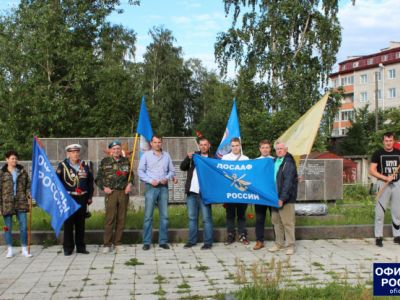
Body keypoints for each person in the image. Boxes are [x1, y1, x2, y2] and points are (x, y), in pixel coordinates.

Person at [138, 135, 177, 250]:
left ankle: (163, 241)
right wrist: (150, 180)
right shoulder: (146, 155)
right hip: (151, 187)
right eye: (155, 142)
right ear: (151, 143)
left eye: (159, 142)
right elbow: (140, 171)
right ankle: (146, 242)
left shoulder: (167, 155)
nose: (157, 144)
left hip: (163, 187)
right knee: (148, 216)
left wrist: (167, 177)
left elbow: (172, 171)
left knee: (164, 216)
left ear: (162, 143)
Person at [95, 140, 134, 254]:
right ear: (111, 150)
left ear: (120, 150)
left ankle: (118, 243)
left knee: (121, 219)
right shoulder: (105, 161)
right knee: (110, 218)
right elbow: (98, 178)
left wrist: (129, 184)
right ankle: (107, 244)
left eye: (118, 148)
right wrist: (104, 188)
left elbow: (131, 176)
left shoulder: (126, 161)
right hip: (111, 193)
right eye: (114, 149)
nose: (116, 150)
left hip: (123, 192)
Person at [56, 144, 94, 256]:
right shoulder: (62, 166)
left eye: (77, 152)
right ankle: (68, 248)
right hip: (69, 198)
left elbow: (90, 182)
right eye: (73, 152)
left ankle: (81, 247)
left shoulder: (85, 165)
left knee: (80, 223)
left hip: (82, 197)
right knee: (68, 223)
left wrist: (90, 196)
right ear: (68, 154)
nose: (75, 154)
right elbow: (57, 183)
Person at [180, 138, 213, 250]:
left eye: (205, 144)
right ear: (199, 146)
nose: (203, 146)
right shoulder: (194, 156)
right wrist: (187, 158)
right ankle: (191, 241)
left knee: (206, 218)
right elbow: (182, 167)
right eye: (201, 145)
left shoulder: (213, 159)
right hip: (192, 192)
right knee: (192, 218)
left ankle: (208, 242)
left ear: (209, 145)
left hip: (205, 193)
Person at [369, 132, 400, 247]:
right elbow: (372, 170)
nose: (388, 143)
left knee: (397, 212)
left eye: (390, 140)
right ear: (383, 142)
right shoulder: (378, 153)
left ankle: (397, 236)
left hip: (397, 184)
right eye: (386, 141)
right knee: (380, 212)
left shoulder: (398, 153)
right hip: (383, 184)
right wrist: (385, 177)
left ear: (393, 141)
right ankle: (378, 236)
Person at [0, 150, 32, 258]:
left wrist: (28, 194)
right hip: (6, 203)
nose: (14, 160)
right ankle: (10, 249)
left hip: (21, 201)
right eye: (12, 158)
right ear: (7, 159)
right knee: (7, 227)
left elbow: (28, 185)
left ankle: (24, 249)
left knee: (23, 225)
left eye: (15, 158)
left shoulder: (22, 172)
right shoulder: (2, 173)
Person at [268, 141, 298, 255]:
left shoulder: (289, 162)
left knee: (288, 222)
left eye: (281, 148)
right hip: (274, 196)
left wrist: (282, 198)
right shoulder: (275, 161)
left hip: (285, 198)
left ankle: (290, 245)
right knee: (276, 221)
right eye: (277, 149)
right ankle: (279, 243)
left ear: (286, 149)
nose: (279, 150)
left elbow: (288, 183)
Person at [222, 137, 250, 245]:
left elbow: (249, 175)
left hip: (242, 191)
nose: (235, 148)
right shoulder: (225, 157)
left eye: (237, 145)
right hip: (230, 190)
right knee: (230, 214)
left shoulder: (245, 158)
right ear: (230, 146)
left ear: (240, 146)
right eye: (233, 146)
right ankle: (230, 234)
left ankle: (242, 235)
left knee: (241, 215)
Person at [253, 140, 274, 250]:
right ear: (260, 149)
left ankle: (278, 241)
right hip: (260, 195)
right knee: (259, 219)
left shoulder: (275, 161)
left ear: (270, 149)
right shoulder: (255, 162)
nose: (265, 149)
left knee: (274, 218)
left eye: (267, 147)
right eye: (263, 147)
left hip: (272, 194)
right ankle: (259, 241)